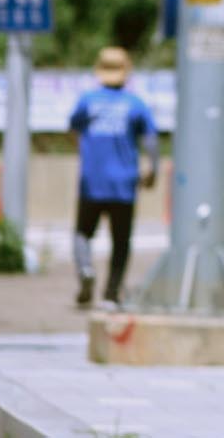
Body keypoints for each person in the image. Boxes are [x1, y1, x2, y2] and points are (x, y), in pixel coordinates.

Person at [68, 47, 158, 310]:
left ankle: (85, 269)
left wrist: (88, 151)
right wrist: (151, 169)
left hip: (92, 181)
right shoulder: (135, 104)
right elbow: (150, 140)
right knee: (121, 242)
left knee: (83, 233)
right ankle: (110, 293)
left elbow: (73, 130)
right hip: (124, 183)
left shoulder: (87, 101)